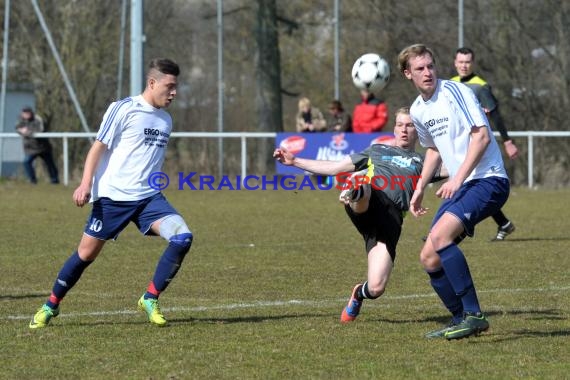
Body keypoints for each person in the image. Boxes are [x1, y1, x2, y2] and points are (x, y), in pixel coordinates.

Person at [29, 58, 193, 329]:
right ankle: (51, 305)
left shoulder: (166, 119)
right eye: (170, 86)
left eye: (177, 87)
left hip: (149, 199)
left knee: (182, 238)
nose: (174, 92)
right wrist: (85, 184)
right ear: (152, 83)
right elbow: (98, 147)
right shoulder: (123, 109)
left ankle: (150, 298)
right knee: (85, 256)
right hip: (113, 199)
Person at [275, 107, 441, 323]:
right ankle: (355, 189)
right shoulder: (377, 151)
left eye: (409, 125)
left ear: (417, 130)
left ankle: (358, 294)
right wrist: (295, 162)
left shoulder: (423, 163)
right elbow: (335, 168)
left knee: (377, 287)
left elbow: (458, 168)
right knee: (367, 187)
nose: (404, 130)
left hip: (390, 222)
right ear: (394, 128)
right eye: (400, 125)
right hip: (370, 202)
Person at [398, 44, 510, 340]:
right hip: (467, 183)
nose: (428, 72)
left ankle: (475, 315)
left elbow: (482, 136)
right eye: (420, 68)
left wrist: (457, 178)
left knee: (440, 237)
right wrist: (420, 187)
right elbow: (433, 149)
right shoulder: (418, 110)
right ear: (408, 73)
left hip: (489, 180)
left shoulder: (454, 92)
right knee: (429, 256)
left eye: (430, 66)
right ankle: (460, 317)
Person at [452, 47, 517, 241]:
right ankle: (503, 224)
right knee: (469, 185)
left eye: (467, 62)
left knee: (471, 185)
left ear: (473, 63)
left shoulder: (480, 86)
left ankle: (457, 228)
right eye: (461, 62)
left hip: (479, 143)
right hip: (461, 143)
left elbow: (495, 114)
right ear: (455, 63)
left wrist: (508, 141)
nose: (464, 65)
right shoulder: (451, 83)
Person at [15, 106, 59, 184]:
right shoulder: (20, 120)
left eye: (28, 112)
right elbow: (17, 128)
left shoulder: (37, 119)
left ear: (31, 112)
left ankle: (54, 180)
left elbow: (41, 130)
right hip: (30, 148)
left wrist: (27, 131)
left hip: (43, 147)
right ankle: (32, 180)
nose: (26, 114)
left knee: (50, 164)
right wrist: (22, 131)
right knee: (26, 162)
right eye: (24, 113)